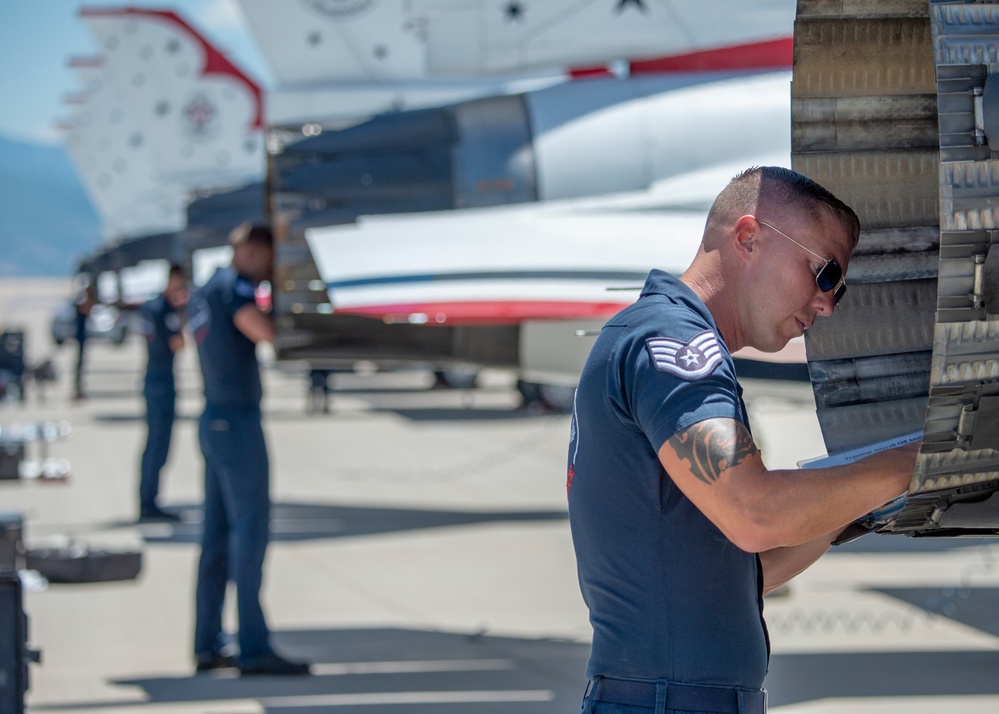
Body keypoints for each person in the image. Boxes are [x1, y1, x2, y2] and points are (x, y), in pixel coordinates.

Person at [567, 166, 918, 713]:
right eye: (824, 274)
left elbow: (740, 576)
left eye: (838, 289)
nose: (827, 303)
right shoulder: (671, 342)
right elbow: (755, 514)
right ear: (749, 237)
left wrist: (864, 504)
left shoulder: (664, 337)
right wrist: (919, 459)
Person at [188, 223, 311, 677]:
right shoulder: (233, 290)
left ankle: (207, 643)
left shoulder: (204, 291)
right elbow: (264, 332)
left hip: (214, 419)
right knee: (249, 535)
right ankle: (254, 648)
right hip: (236, 424)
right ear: (255, 252)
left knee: (216, 540)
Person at [137, 264, 187, 522]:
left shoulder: (153, 307)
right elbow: (177, 343)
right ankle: (148, 503)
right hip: (160, 382)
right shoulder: (163, 309)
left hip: (157, 379)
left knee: (157, 445)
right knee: (158, 445)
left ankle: (149, 500)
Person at [72, 286, 95, 400]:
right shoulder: (80, 303)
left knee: (82, 364)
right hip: (80, 338)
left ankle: (79, 390)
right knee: (79, 364)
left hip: (83, 338)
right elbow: (84, 309)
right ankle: (77, 391)